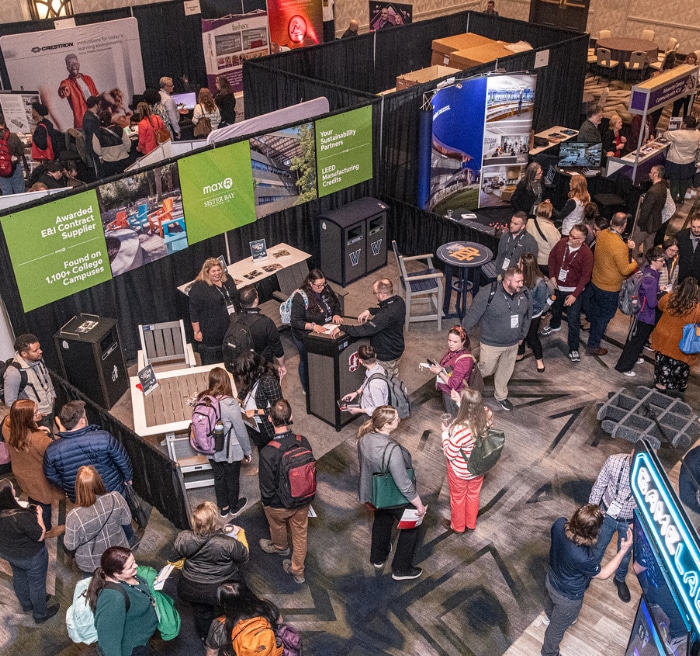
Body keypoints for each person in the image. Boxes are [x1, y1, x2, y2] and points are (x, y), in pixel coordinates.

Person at [541, 504, 633, 656]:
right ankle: (549, 652)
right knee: (556, 630)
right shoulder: (584, 558)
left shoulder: (559, 524)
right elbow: (603, 574)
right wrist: (623, 550)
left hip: (551, 579)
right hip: (568, 598)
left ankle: (549, 616)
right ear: (594, 533)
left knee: (550, 602)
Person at [357, 405, 426, 579]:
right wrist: (418, 505)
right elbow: (403, 482)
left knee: (382, 520)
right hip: (394, 496)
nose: (399, 420)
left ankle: (378, 557)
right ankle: (401, 569)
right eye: (396, 418)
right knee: (412, 526)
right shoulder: (392, 450)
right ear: (387, 425)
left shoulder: (364, 438)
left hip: (375, 494)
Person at [174, 501, 249, 640]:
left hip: (192, 588)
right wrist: (237, 533)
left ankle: (205, 636)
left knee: (201, 613)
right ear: (214, 520)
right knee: (228, 610)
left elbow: (177, 555)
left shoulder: (183, 538)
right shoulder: (228, 543)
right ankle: (231, 634)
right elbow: (244, 557)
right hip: (222, 587)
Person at [258, 399, 314, 584]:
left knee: (277, 525)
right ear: (291, 417)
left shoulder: (268, 452)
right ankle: (298, 571)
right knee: (300, 535)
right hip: (302, 499)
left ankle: (280, 546)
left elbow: (266, 489)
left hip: (278, 505)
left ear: (270, 419)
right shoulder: (302, 441)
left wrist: (267, 504)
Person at [463, 266, 531, 411]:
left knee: (505, 372)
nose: (521, 284)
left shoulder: (523, 294)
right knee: (485, 370)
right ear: (507, 281)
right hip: (491, 344)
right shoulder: (488, 293)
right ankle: (469, 393)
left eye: (522, 281)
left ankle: (501, 396)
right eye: (518, 281)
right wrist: (461, 334)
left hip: (513, 344)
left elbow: (527, 316)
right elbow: (473, 314)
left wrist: (522, 335)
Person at [43, 400, 133, 505]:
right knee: (121, 514)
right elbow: (122, 459)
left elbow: (50, 475)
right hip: (112, 489)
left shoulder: (52, 451)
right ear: (82, 421)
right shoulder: (103, 438)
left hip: (81, 497)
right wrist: (128, 477)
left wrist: (69, 484)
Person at [0, 479, 59, 623]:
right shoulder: (20, 517)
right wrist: (39, 516)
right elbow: (40, 535)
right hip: (32, 556)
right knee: (37, 585)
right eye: (13, 489)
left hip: (10, 554)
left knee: (19, 576)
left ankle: (26, 605)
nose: (15, 490)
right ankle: (40, 614)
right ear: (8, 495)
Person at [2, 399, 64, 537]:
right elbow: (56, 454)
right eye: (35, 412)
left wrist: (35, 429)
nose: (39, 414)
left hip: (20, 473)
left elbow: (23, 434)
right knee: (44, 504)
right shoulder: (40, 440)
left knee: (32, 498)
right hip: (39, 479)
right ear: (26, 419)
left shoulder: (7, 424)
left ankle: (33, 516)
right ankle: (46, 530)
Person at [197, 367, 251, 518]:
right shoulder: (230, 404)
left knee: (219, 477)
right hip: (229, 450)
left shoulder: (203, 399)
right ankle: (233, 506)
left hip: (210, 448)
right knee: (232, 478)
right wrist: (247, 451)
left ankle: (224, 508)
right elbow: (240, 430)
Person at [87, 546, 159, 656]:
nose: (136, 566)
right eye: (130, 567)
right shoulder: (112, 599)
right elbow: (109, 641)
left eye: (134, 561)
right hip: (133, 649)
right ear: (117, 574)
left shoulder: (128, 576)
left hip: (143, 638)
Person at [440, 388, 493, 533]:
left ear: (465, 405)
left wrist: (445, 434)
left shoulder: (460, 430)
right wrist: (459, 401)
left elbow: (450, 454)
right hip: (478, 467)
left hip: (460, 471)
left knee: (458, 498)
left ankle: (458, 526)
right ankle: (471, 523)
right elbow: (473, 414)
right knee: (473, 494)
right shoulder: (487, 414)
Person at [64, 465, 132, 576]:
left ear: (78, 487)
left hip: (91, 563)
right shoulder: (116, 498)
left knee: (95, 591)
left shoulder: (74, 516)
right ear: (99, 480)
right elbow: (126, 520)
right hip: (118, 553)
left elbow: (70, 545)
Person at [586, 212, 637, 356]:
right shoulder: (619, 245)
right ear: (625, 225)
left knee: (597, 313)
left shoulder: (602, 234)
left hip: (596, 281)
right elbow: (624, 269)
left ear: (610, 221)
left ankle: (593, 334)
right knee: (605, 316)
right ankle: (593, 345)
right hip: (609, 287)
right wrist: (634, 263)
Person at [588, 452, 637, 602]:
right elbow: (599, 486)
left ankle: (620, 579)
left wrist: (638, 523)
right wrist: (593, 511)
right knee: (598, 546)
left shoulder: (651, 475)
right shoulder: (613, 461)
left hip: (629, 521)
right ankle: (589, 573)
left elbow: (649, 502)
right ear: (632, 452)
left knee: (625, 554)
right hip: (606, 513)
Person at [543, 224, 593, 363]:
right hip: (558, 287)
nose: (569, 238)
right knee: (556, 309)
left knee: (573, 320)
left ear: (582, 240)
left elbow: (585, 277)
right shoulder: (561, 243)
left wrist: (574, 295)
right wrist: (552, 276)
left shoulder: (586, 254)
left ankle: (573, 348)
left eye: (573, 237)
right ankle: (554, 325)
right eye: (570, 234)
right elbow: (552, 258)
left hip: (573, 292)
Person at [335, 278, 405, 378]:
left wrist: (342, 327)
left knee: (383, 381)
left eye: (375, 293)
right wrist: (371, 310)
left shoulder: (384, 316)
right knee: (393, 374)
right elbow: (386, 312)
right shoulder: (399, 301)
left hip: (386, 355)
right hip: (397, 349)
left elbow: (364, 330)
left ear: (382, 294)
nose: (375, 295)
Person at [614, 247, 664, 376]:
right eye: (661, 260)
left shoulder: (645, 271)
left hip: (640, 313)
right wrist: (661, 296)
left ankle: (628, 362)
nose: (663, 263)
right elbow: (652, 303)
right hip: (646, 315)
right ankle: (624, 366)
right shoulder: (651, 279)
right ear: (654, 261)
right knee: (636, 342)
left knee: (634, 339)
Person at [291, 269, 342, 392]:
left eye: (323, 284)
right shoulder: (300, 297)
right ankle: (306, 388)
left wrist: (336, 314)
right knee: (305, 360)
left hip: (326, 331)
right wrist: (313, 326)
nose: (322, 288)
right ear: (310, 283)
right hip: (305, 336)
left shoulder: (326, 288)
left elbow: (335, 303)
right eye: (318, 286)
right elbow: (296, 321)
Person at [205, 581, 283, 656]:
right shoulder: (266, 605)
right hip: (269, 651)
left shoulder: (220, 625)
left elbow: (212, 653)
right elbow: (280, 621)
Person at [651, 276, 700, 393]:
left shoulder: (670, 298)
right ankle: (680, 385)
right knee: (680, 366)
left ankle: (661, 384)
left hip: (663, 337)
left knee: (662, 363)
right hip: (681, 342)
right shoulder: (697, 308)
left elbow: (660, 305)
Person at [224, 285, 286, 376]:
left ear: (240, 303)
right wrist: (282, 365)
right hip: (262, 366)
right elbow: (277, 347)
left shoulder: (233, 319)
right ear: (256, 300)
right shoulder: (266, 323)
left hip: (243, 367)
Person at [189, 257, 241, 365]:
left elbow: (235, 297)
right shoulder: (199, 289)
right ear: (207, 272)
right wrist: (197, 331)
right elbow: (194, 312)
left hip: (231, 325)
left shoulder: (228, 279)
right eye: (213, 271)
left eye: (219, 270)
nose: (217, 273)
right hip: (212, 330)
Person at [233, 351, 283, 460]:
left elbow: (279, 409)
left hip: (264, 423)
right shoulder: (253, 374)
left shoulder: (269, 381)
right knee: (260, 446)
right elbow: (246, 386)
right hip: (252, 421)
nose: (242, 378)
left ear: (251, 371)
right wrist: (239, 398)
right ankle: (263, 466)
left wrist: (255, 412)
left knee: (268, 449)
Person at [3, 333, 56, 432]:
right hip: (35, 415)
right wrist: (30, 417)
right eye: (35, 350)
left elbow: (46, 376)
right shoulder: (13, 373)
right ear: (24, 354)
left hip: (49, 406)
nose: (40, 351)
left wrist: (52, 394)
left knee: (50, 432)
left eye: (39, 348)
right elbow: (10, 403)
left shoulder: (38, 358)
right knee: (44, 442)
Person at [426, 325, 475, 416]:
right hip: (447, 391)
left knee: (454, 417)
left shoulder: (464, 360)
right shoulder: (454, 350)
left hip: (455, 395)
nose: (451, 344)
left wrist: (439, 372)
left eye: (455, 342)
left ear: (463, 342)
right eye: (449, 340)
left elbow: (453, 384)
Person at [517, 253, 549, 373]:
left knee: (532, 337)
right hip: (520, 313)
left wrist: (524, 305)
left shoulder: (539, 283)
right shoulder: (519, 276)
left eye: (520, 263)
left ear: (526, 266)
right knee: (519, 334)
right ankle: (520, 353)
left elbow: (540, 304)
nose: (517, 264)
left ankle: (539, 359)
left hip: (532, 315)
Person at [341, 344, 390, 416]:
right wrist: (356, 393)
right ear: (375, 355)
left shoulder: (375, 384)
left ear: (360, 360)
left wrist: (359, 410)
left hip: (373, 417)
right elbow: (367, 383)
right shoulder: (377, 368)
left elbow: (379, 409)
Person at [634, 165, 668, 259]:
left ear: (656, 174)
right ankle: (646, 264)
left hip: (647, 224)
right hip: (656, 222)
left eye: (651, 171)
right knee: (649, 245)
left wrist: (640, 223)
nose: (649, 173)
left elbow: (646, 210)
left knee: (635, 243)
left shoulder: (653, 191)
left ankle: (634, 263)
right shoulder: (663, 187)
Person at [664, 116, 700, 204]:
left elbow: (665, 134)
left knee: (674, 182)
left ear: (685, 124)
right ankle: (681, 198)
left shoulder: (679, 133)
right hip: (689, 161)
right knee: (684, 182)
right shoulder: (697, 133)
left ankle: (672, 201)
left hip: (675, 162)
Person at [58, 53, 99, 129]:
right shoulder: (67, 83)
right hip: (82, 122)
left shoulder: (88, 79)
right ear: (67, 68)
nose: (73, 67)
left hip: (95, 118)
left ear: (79, 64)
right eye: (70, 65)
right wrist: (63, 90)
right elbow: (62, 91)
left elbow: (96, 96)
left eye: (75, 64)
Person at [92, 110, 132, 178]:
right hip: (122, 158)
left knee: (111, 180)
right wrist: (127, 150)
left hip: (108, 160)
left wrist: (101, 155)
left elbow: (96, 148)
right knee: (125, 178)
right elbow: (127, 142)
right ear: (110, 119)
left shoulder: (97, 133)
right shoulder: (119, 129)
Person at [526, 200, 561, 277]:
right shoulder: (550, 228)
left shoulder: (529, 222)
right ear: (549, 213)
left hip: (533, 260)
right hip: (546, 262)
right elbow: (556, 247)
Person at [0, 115, 26, 195]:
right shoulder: (13, 136)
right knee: (20, 190)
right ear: (4, 123)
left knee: (6, 192)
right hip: (14, 166)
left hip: (1, 168)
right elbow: (21, 151)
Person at [675, 214, 700, 283]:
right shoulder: (681, 236)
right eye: (694, 227)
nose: (696, 230)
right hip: (681, 276)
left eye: (699, 227)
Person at [672, 52, 698, 117]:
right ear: (687, 58)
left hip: (691, 93)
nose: (691, 59)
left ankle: (685, 123)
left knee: (687, 110)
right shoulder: (682, 67)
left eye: (693, 58)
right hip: (681, 91)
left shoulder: (697, 68)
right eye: (690, 58)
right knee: (676, 108)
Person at [82, 95, 102, 178]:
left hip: (95, 148)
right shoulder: (89, 119)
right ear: (96, 105)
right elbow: (92, 136)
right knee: (98, 169)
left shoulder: (90, 116)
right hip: (94, 149)